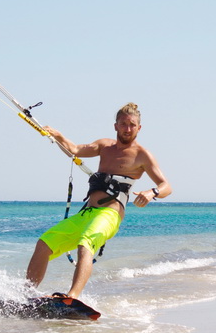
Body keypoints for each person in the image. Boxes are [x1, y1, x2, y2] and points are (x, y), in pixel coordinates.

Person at [25, 102, 172, 299]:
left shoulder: (142, 155)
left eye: (132, 125)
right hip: (87, 212)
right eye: (123, 124)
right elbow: (75, 150)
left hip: (110, 214)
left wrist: (152, 192)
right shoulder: (104, 146)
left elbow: (166, 186)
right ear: (116, 126)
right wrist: (57, 135)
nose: (127, 129)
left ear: (139, 127)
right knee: (44, 244)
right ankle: (25, 295)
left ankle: (72, 297)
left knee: (85, 244)